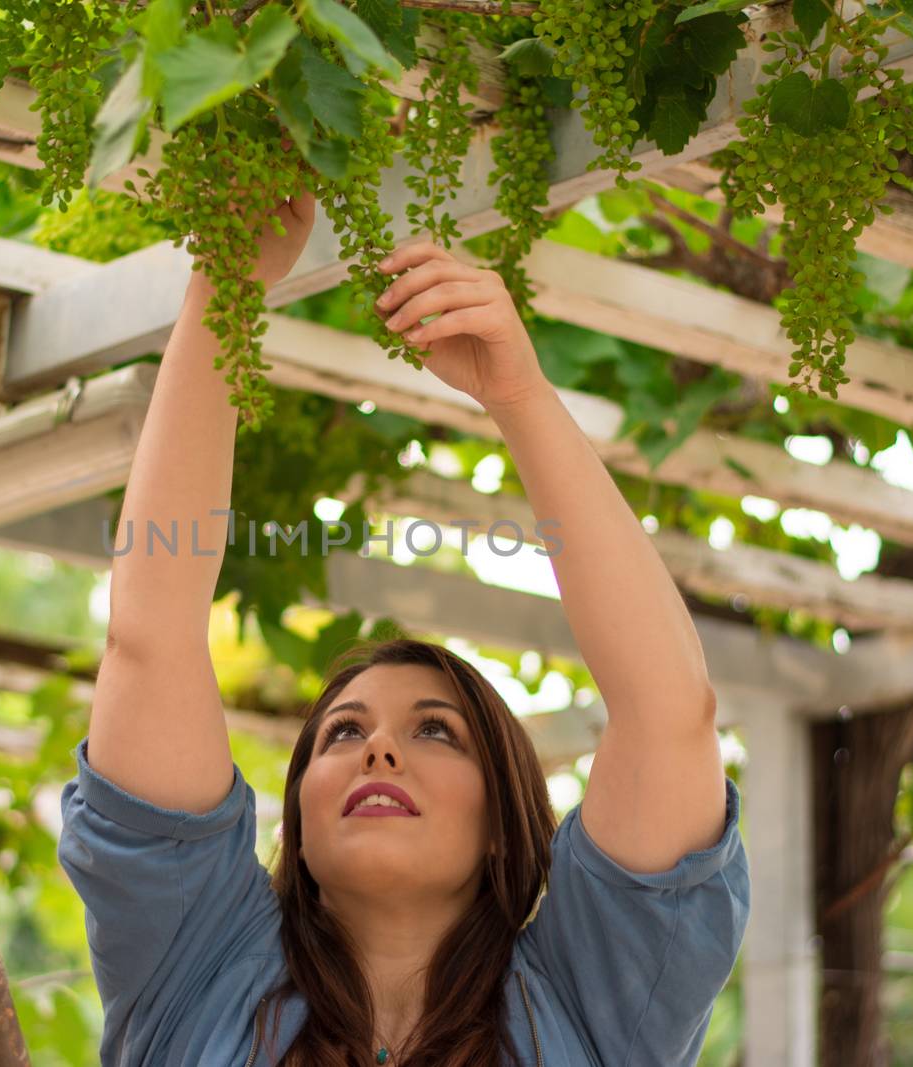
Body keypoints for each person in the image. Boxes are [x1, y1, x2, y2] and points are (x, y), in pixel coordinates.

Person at [56, 182, 751, 1066]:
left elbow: (669, 711)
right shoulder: (194, 963)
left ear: (505, 821)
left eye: (437, 730)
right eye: (343, 732)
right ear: (298, 829)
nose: (378, 751)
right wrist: (224, 285)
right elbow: (149, 634)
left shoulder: (593, 998)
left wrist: (520, 395)